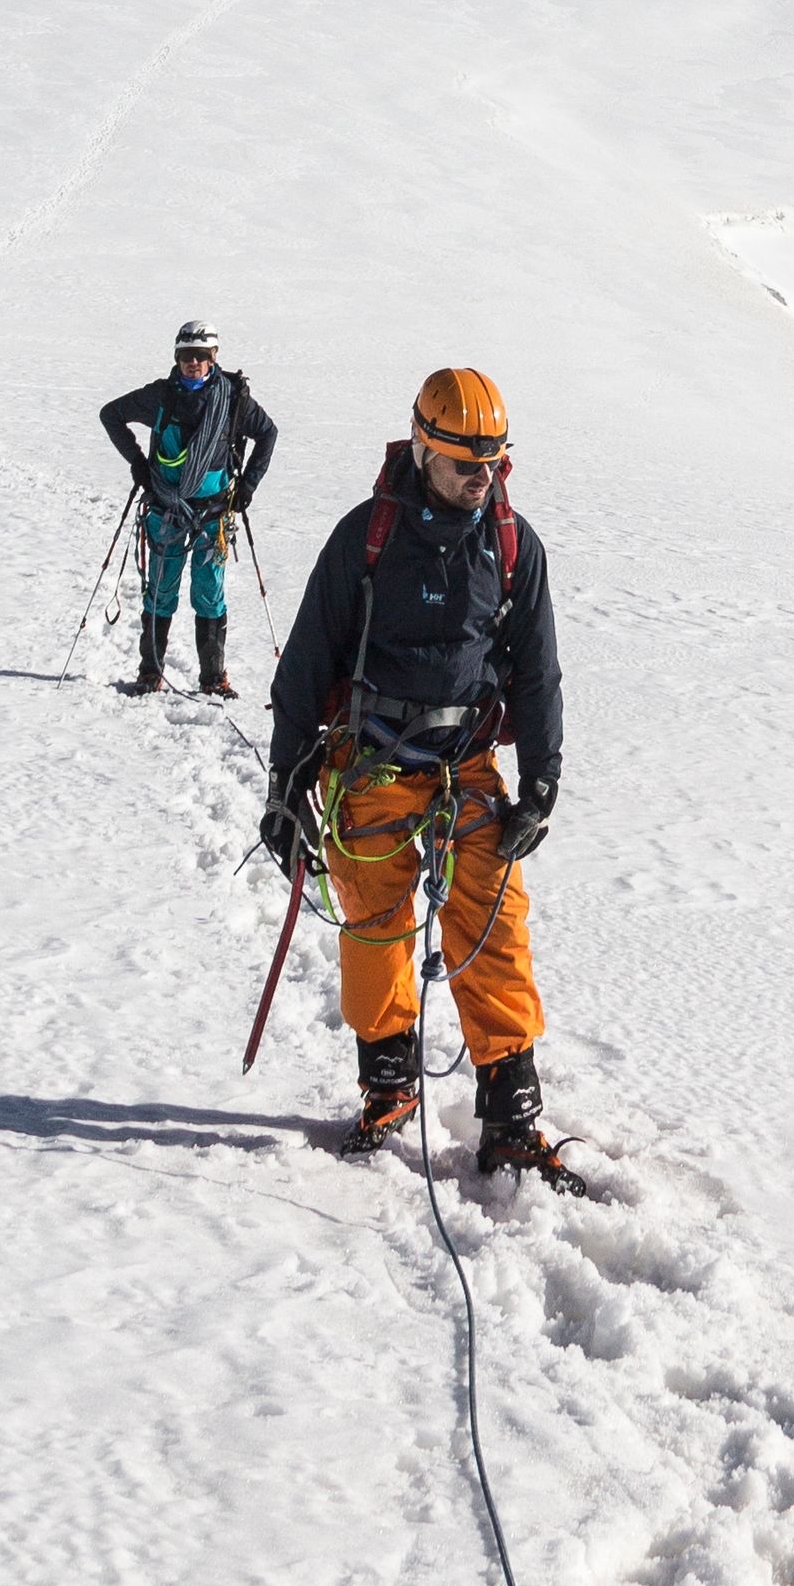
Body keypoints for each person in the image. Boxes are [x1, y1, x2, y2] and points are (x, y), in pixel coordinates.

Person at [262, 364, 568, 1176]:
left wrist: (540, 784)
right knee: (376, 924)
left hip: (466, 767)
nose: (483, 477)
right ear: (425, 446)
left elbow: (537, 674)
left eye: (496, 463)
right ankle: (387, 1085)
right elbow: (304, 667)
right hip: (374, 766)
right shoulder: (368, 537)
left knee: (494, 928)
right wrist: (284, 787)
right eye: (469, 462)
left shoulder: (509, 544)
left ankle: (511, 1116)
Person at [100, 321, 276, 699]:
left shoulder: (233, 399)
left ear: (214, 358)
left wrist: (247, 486)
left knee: (209, 593)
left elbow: (267, 433)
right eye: (186, 356)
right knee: (160, 591)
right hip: (167, 508)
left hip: (213, 512)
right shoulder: (161, 396)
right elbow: (110, 414)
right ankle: (150, 673)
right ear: (176, 358)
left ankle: (212, 678)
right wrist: (138, 464)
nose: (193, 363)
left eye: (201, 356)